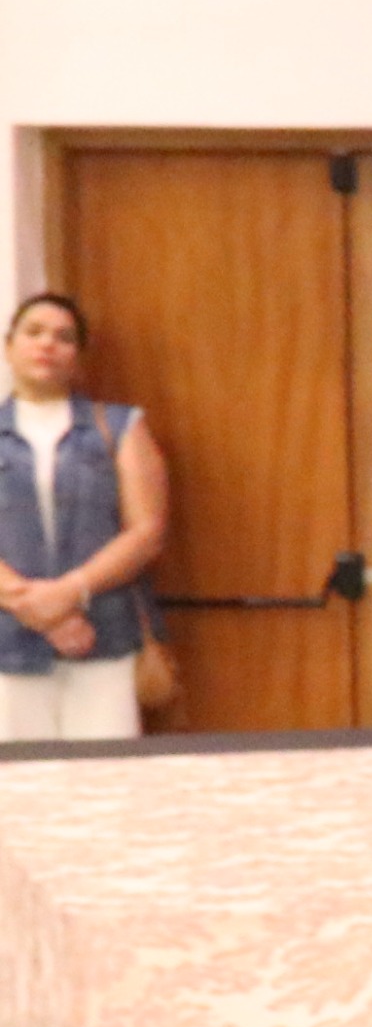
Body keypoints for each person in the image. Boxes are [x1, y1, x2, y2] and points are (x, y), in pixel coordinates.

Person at [0, 292, 167, 741]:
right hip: (6, 647)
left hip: (102, 639)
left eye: (63, 337)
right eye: (34, 332)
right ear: (9, 346)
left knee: (106, 776)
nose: (47, 344)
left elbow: (147, 531)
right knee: (16, 780)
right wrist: (39, 610)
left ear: (77, 355)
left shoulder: (121, 426)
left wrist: (71, 591)